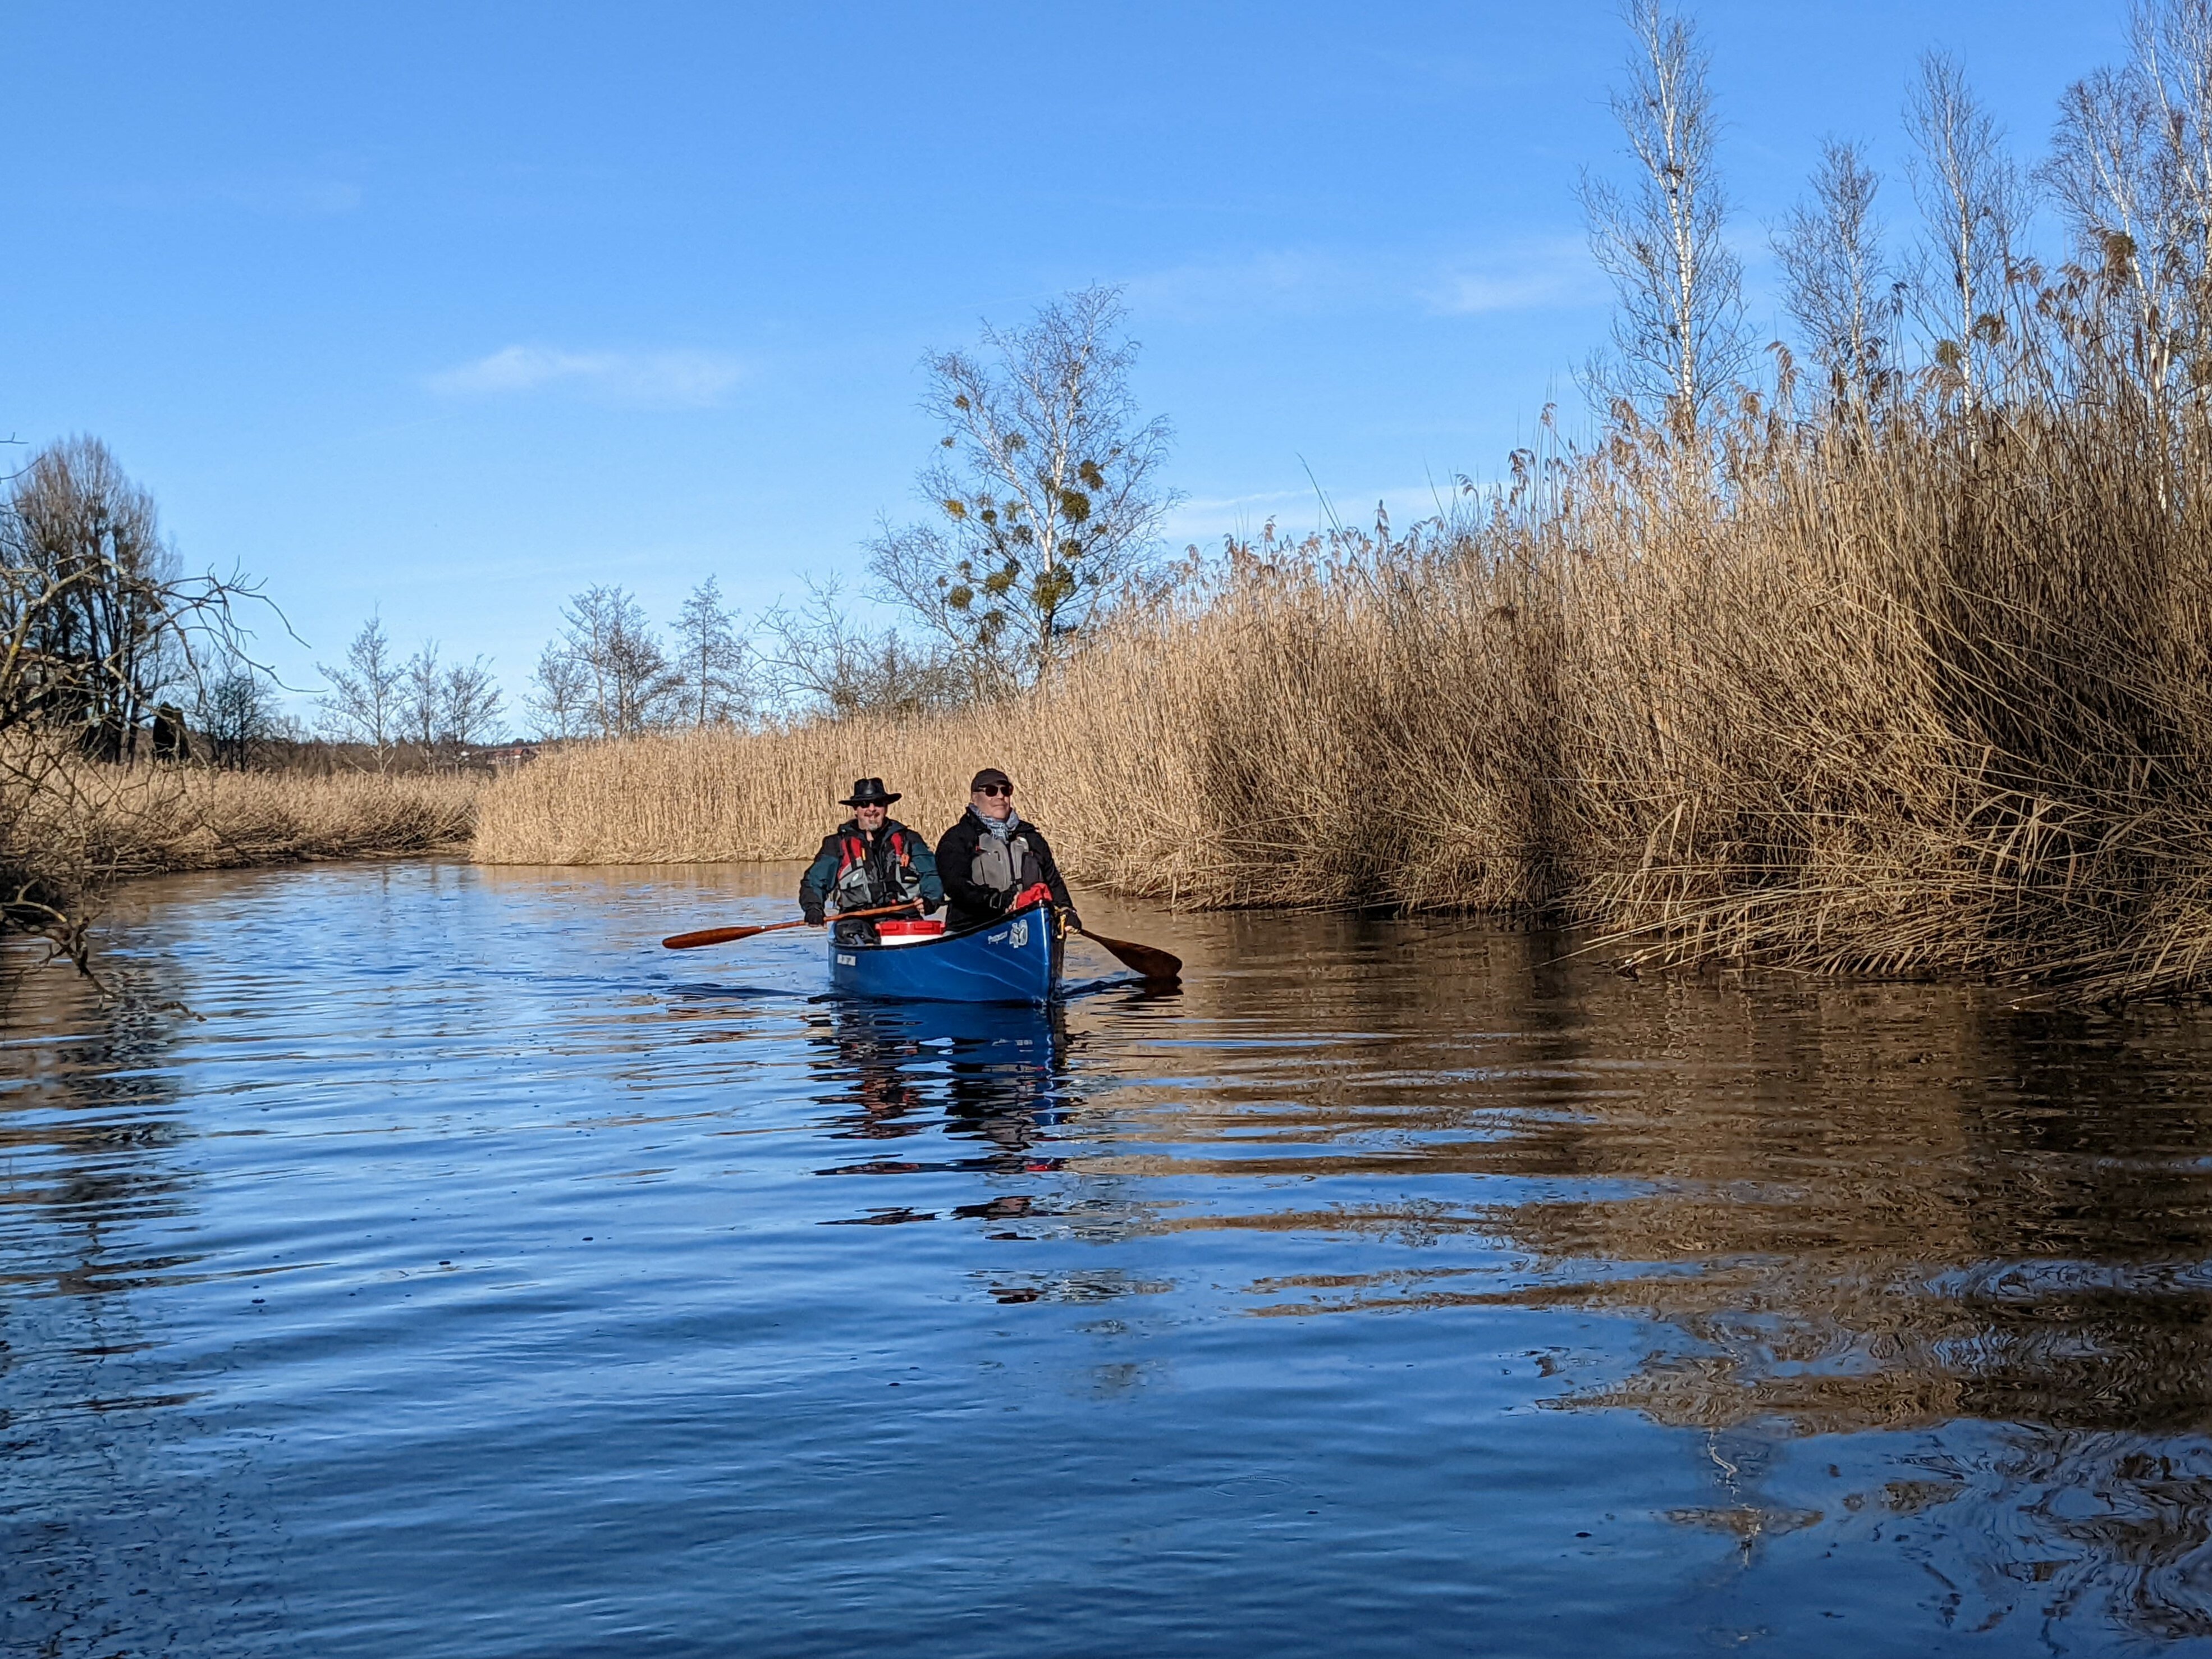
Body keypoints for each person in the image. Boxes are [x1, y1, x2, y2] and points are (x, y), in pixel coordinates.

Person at [935, 767, 1080, 934]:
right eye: (991, 791)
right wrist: (999, 901)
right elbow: (956, 886)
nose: (1000, 796)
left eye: (1006, 790)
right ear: (975, 798)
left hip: (1028, 927)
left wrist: (1067, 909)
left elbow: (1053, 881)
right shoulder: (957, 838)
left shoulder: (1031, 837)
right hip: (971, 928)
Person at [800, 778, 945, 941]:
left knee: (923, 937)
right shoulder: (836, 844)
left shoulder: (909, 840)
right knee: (853, 936)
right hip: (855, 919)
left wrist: (931, 900)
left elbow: (932, 874)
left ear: (886, 807)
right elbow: (814, 881)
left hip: (903, 915)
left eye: (878, 803)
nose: (872, 809)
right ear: (856, 809)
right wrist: (814, 909)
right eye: (865, 804)